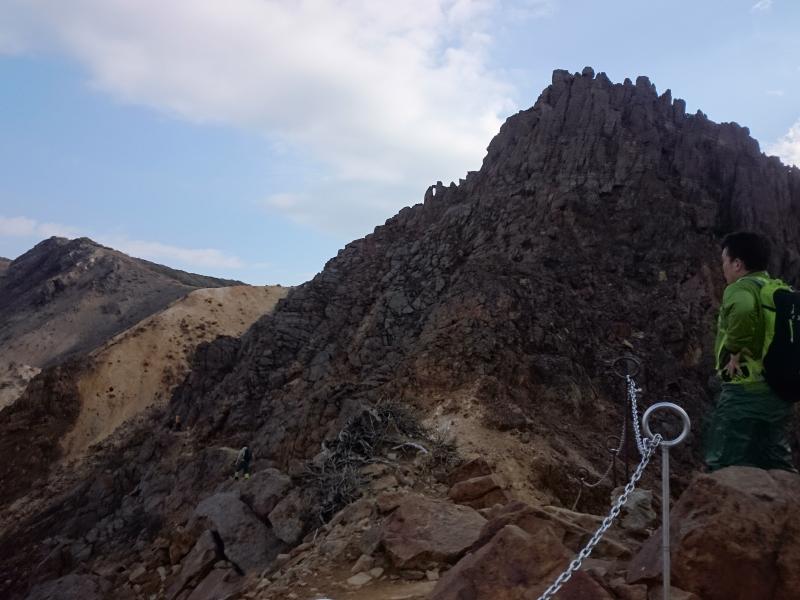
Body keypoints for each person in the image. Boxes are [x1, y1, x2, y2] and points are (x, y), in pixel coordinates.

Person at [704, 231, 796, 472]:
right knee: (774, 458)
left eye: (724, 261)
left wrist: (735, 351)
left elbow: (743, 310)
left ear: (737, 264)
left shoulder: (740, 288)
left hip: (746, 388)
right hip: (779, 389)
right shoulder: (776, 289)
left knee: (724, 459)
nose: (723, 268)